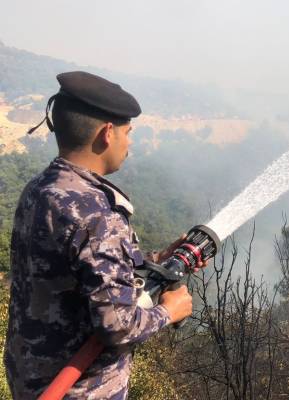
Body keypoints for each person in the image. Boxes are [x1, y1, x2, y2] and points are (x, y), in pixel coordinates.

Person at [3, 71, 199, 399]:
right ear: (107, 134)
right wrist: (170, 311)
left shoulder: (42, 189)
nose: (130, 142)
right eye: (128, 132)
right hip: (78, 391)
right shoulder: (97, 216)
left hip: (30, 377)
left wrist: (156, 261)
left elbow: (75, 269)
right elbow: (117, 325)